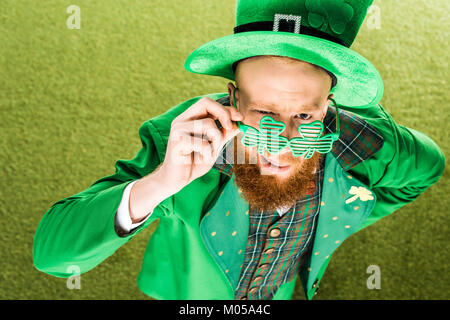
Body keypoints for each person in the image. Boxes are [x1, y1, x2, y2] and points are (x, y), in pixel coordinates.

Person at [33, 0, 445, 300]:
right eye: (264, 111)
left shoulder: (358, 143)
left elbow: (427, 167)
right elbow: (52, 257)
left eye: (304, 115)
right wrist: (160, 182)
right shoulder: (179, 145)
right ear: (232, 97)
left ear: (329, 105)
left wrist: (344, 213)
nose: (281, 141)